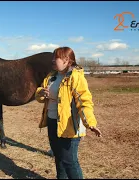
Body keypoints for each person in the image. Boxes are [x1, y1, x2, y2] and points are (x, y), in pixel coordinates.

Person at [35, 47, 102, 179]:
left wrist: (90, 123)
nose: (53, 60)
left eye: (56, 58)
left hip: (69, 125)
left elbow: (84, 101)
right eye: (53, 57)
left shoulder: (75, 77)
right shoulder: (51, 76)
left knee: (69, 161)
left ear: (67, 60)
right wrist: (41, 93)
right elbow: (39, 94)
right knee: (58, 158)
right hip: (52, 122)